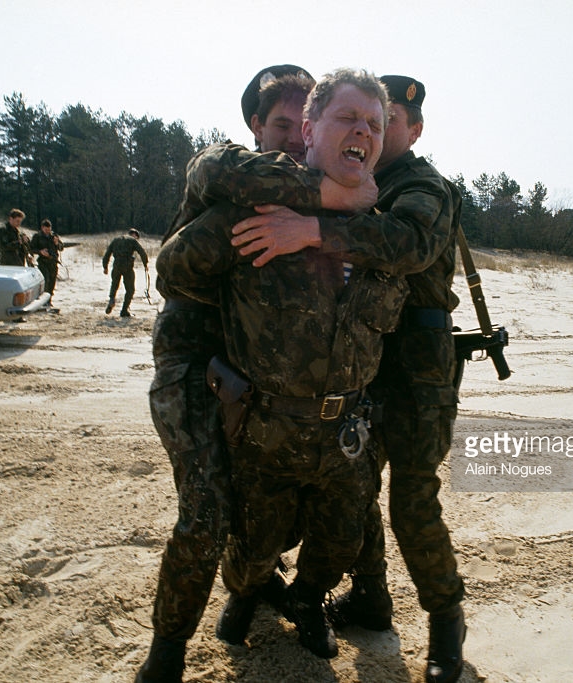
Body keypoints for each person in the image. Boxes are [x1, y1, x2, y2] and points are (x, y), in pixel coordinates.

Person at [228, 75, 466, 683]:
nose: (369, 130)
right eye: (358, 118)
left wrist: (315, 229)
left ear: (412, 130)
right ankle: (370, 596)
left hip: (416, 367)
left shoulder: (422, 186)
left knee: (412, 502)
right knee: (354, 491)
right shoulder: (349, 182)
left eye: (386, 121)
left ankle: (446, 626)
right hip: (358, 361)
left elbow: (408, 243)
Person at [155, 68, 396, 663]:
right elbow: (177, 270)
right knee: (239, 535)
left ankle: (307, 598)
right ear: (308, 131)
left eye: (374, 123)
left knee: (340, 536)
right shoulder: (256, 210)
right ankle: (215, 616)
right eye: (347, 118)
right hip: (258, 419)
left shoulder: (381, 236)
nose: (362, 131)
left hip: (341, 431)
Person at [136, 64, 342, 682]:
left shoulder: (302, 208)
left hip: (254, 377)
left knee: (272, 503)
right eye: (281, 125)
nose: (294, 139)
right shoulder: (229, 175)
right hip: (194, 363)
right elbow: (174, 268)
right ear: (255, 125)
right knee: (206, 511)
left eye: (304, 127)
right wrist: (335, 192)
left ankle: (254, 591)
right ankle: (166, 655)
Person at [102, 228, 148, 317]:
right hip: (127, 266)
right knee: (130, 290)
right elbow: (142, 252)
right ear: (134, 235)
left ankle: (112, 299)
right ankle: (124, 310)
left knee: (114, 284)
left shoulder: (116, 240)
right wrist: (145, 264)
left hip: (116, 265)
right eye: (137, 237)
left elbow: (107, 254)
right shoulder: (133, 241)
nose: (137, 239)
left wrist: (105, 267)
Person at [29, 219, 63, 306]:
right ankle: (43, 301)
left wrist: (57, 243)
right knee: (45, 281)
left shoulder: (54, 236)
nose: (48, 231)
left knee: (52, 282)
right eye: (46, 229)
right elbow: (31, 248)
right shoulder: (37, 236)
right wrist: (40, 252)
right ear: (42, 228)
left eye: (49, 229)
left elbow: (61, 248)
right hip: (43, 262)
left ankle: (49, 300)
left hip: (53, 262)